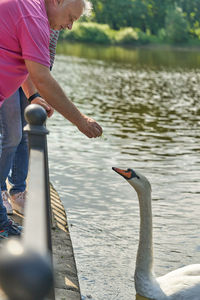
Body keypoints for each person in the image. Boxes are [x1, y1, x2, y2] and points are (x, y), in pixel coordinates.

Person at [0, 0, 103, 238]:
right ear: (58, 1)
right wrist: (81, 121)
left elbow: (24, 64)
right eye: (71, 18)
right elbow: (42, 77)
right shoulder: (35, 18)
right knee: (11, 137)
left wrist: (32, 95)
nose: (69, 26)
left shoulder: (31, 10)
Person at [0, 30, 59, 216]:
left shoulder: (58, 15)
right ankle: (1, 189)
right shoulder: (30, 7)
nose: (70, 25)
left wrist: (42, 87)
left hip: (35, 73)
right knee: (11, 135)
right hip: (11, 68)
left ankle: (17, 192)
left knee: (25, 135)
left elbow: (49, 53)